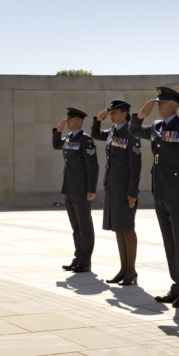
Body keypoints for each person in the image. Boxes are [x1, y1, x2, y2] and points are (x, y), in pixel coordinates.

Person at [131, 88, 179, 307]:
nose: (158, 105)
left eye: (162, 102)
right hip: (160, 192)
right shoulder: (156, 127)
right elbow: (135, 131)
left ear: (174, 105)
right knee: (170, 243)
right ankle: (177, 285)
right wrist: (140, 115)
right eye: (158, 102)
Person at [92, 100, 142, 286]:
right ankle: (123, 269)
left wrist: (132, 191)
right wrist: (98, 120)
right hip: (112, 186)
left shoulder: (131, 133)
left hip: (125, 188)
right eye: (110, 112)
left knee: (127, 228)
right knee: (118, 229)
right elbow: (95, 134)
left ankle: (131, 271)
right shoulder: (113, 131)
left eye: (114, 112)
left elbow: (136, 165)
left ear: (124, 114)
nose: (111, 115)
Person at [52, 107, 100, 273]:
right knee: (76, 226)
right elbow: (56, 145)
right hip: (69, 187)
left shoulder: (86, 140)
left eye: (70, 119)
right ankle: (78, 257)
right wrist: (58, 131)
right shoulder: (69, 138)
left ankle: (85, 261)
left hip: (81, 189)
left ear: (78, 121)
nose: (67, 122)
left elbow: (93, 166)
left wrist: (91, 189)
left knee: (85, 225)